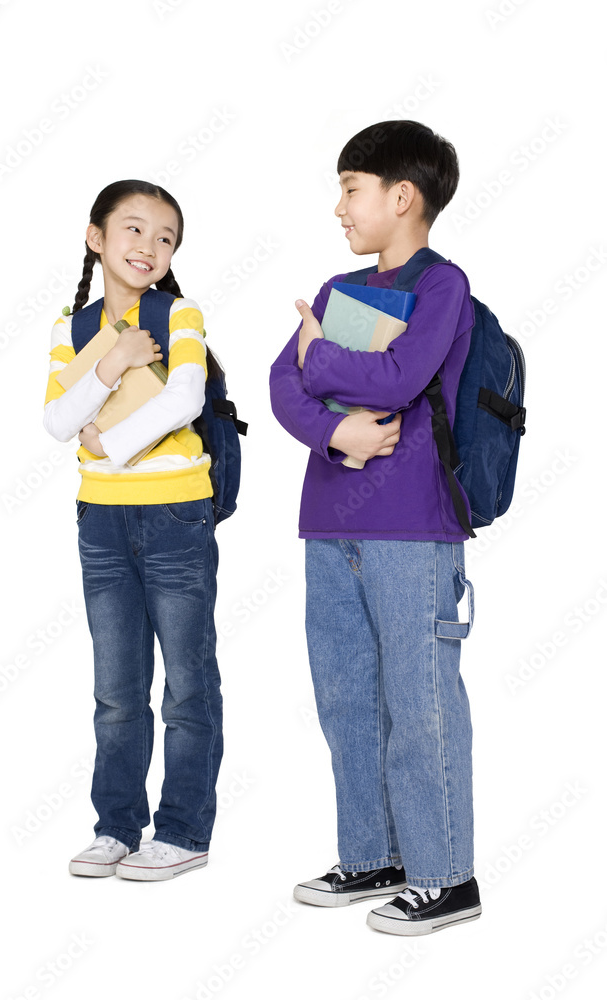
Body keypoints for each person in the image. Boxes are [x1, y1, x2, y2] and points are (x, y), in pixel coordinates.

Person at [270, 121, 482, 935]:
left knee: (419, 701)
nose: (338, 207)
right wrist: (336, 432)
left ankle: (444, 875)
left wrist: (322, 362)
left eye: (350, 188)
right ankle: (373, 855)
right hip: (328, 522)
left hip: (411, 526)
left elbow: (398, 378)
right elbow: (279, 384)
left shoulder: (442, 287)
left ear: (402, 198)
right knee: (346, 697)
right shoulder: (334, 291)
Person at [43, 179, 223, 882]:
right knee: (116, 687)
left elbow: (187, 394)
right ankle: (116, 826)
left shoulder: (180, 313)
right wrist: (113, 364)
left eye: (165, 237)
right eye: (134, 229)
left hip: (177, 510)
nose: (149, 247)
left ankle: (181, 831)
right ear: (97, 238)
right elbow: (56, 421)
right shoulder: (74, 328)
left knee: (186, 680)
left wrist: (104, 445)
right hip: (102, 520)